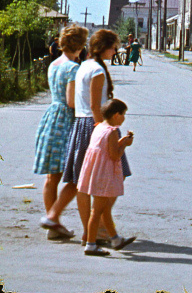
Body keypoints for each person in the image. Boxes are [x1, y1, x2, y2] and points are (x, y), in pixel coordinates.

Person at [62, 29, 131, 247]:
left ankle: (91, 230)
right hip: (95, 124)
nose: (115, 51)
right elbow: (95, 104)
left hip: (81, 123)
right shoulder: (97, 71)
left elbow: (75, 101)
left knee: (84, 182)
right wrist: (103, 129)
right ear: (102, 48)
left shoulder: (84, 65)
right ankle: (99, 228)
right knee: (111, 177)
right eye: (113, 47)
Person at [34, 25, 89, 240]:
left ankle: (53, 225)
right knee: (77, 174)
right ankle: (53, 218)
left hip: (51, 117)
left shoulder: (54, 65)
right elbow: (71, 100)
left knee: (52, 176)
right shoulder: (73, 68)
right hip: (66, 120)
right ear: (80, 46)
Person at [77, 98, 136, 256]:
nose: (124, 117)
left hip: (94, 172)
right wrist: (124, 145)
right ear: (117, 115)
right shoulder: (112, 131)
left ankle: (115, 239)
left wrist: (120, 141)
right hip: (104, 175)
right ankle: (90, 244)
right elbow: (115, 155)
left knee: (104, 209)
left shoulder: (100, 127)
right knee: (97, 211)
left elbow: (104, 147)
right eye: (123, 114)